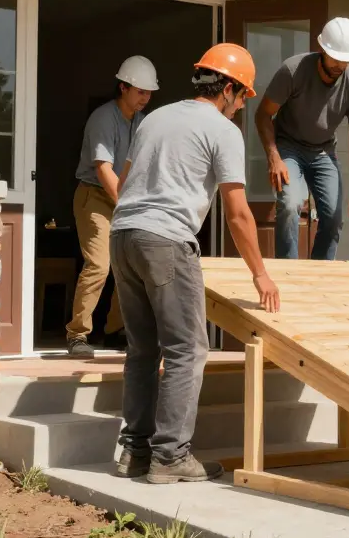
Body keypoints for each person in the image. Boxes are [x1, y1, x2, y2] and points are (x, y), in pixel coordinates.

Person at [110, 43, 281, 484]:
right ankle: (170, 457)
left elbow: (126, 183)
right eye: (242, 95)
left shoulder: (154, 118)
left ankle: (135, 453)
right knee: (188, 349)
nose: (242, 106)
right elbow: (238, 212)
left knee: (144, 350)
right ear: (227, 88)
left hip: (123, 234)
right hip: (165, 240)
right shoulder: (222, 130)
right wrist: (261, 273)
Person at [254, 17, 349, 261]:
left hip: (323, 152)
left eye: (346, 60)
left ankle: (320, 272)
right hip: (288, 146)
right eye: (336, 58)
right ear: (322, 50)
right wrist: (274, 157)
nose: (341, 65)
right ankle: (288, 271)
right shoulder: (293, 71)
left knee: (333, 217)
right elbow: (263, 115)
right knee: (290, 203)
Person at [67, 55, 156, 358]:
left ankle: (117, 332)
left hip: (126, 199)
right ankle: (77, 335)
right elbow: (103, 168)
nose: (146, 98)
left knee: (128, 267)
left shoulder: (144, 123)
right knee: (100, 265)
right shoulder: (103, 118)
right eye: (140, 91)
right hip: (94, 196)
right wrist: (126, 203)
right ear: (123, 87)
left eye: (149, 92)